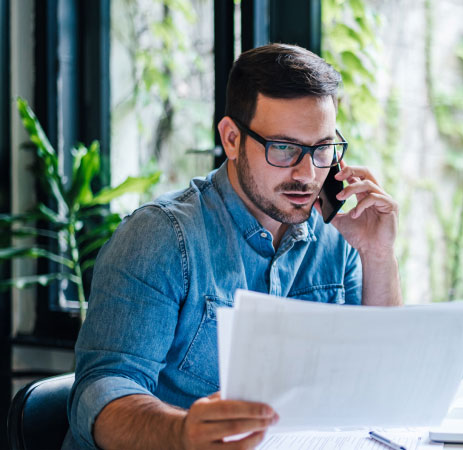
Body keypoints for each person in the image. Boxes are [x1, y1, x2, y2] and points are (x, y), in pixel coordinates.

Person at [64, 43, 402, 450]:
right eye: (284, 148)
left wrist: (377, 253)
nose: (308, 174)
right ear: (231, 138)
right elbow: (99, 393)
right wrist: (181, 433)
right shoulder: (162, 236)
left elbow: (382, 385)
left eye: (322, 149)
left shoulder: (338, 234)